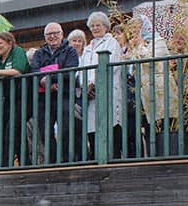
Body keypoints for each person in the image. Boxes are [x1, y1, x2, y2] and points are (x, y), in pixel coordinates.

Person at [126, 14, 180, 156]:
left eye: (136, 28)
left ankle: (168, 156)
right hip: (145, 94)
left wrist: (139, 45)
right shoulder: (137, 45)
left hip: (160, 92)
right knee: (149, 127)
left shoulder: (158, 42)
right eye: (132, 29)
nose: (134, 31)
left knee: (164, 123)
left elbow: (149, 60)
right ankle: (153, 156)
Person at [30, 22, 79, 163]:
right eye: (48, 34)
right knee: (45, 132)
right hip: (43, 98)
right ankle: (53, 161)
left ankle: (67, 161)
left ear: (62, 34)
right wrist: (44, 81)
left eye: (55, 33)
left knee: (65, 130)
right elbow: (34, 71)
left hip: (64, 96)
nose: (52, 36)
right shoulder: (39, 53)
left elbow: (70, 70)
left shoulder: (70, 51)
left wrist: (49, 79)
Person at [80, 11, 125, 159]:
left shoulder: (112, 43)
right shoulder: (87, 48)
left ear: (105, 26)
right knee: (93, 129)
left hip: (108, 90)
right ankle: (96, 159)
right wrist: (85, 86)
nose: (95, 28)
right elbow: (81, 71)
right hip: (91, 96)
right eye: (92, 26)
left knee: (110, 126)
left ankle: (113, 159)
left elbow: (110, 65)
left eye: (98, 25)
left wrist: (93, 83)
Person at [0, 31, 30, 167]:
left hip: (21, 98)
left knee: (12, 129)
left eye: (0, 43)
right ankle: (22, 163)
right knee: (8, 131)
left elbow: (18, 70)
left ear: (9, 43)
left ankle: (10, 164)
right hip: (5, 100)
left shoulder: (17, 52)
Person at [67, 29, 89, 159]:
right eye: (74, 41)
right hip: (71, 96)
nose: (76, 43)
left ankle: (85, 155)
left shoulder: (86, 56)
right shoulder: (67, 57)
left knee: (83, 127)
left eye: (79, 41)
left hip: (84, 95)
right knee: (73, 128)